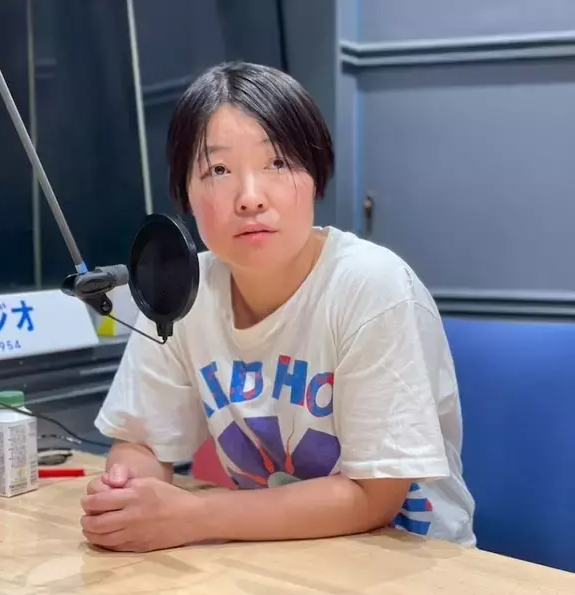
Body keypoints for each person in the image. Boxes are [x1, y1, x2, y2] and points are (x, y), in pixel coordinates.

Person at [80, 61, 476, 552]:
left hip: (409, 563)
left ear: (315, 176)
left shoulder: (372, 286)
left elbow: (373, 497)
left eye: (278, 163)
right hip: (271, 556)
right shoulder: (184, 292)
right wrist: (127, 495)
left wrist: (192, 515)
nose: (250, 198)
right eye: (218, 170)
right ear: (185, 193)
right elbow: (142, 441)